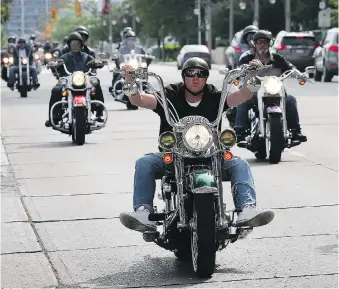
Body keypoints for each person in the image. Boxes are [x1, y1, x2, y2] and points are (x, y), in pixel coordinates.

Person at [119, 57, 275, 233]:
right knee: (144, 162)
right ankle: (143, 213)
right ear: (183, 76)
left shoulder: (216, 96)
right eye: (190, 73)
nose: (195, 78)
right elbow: (139, 100)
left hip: (212, 155)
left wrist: (251, 74)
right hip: (174, 156)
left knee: (240, 164)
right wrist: (129, 80)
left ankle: (247, 210)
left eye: (201, 74)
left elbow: (244, 94)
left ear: (206, 77)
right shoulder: (169, 95)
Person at [235, 30, 307, 143]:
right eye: (259, 42)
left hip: (275, 90)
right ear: (254, 44)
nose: (262, 45)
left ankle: (295, 131)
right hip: (254, 89)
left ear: (270, 44)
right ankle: (240, 133)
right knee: (242, 100)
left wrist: (299, 74)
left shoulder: (278, 58)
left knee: (291, 100)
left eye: (265, 42)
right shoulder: (248, 59)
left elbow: (291, 67)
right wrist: (243, 70)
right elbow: (239, 69)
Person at [45, 32, 104, 127]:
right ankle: (54, 116)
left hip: (84, 80)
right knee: (56, 90)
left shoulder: (87, 56)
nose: (75, 46)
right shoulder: (64, 57)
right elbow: (57, 64)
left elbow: (94, 62)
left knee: (96, 83)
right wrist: (54, 65)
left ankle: (99, 113)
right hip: (68, 80)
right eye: (73, 44)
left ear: (81, 45)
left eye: (77, 44)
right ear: (69, 45)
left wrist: (98, 63)